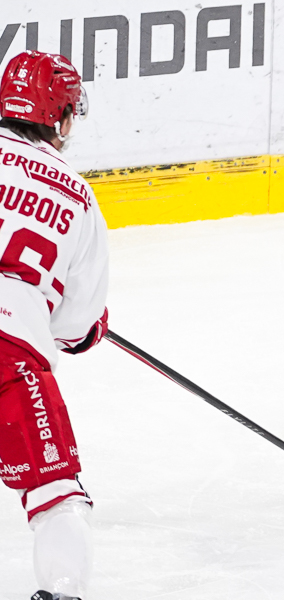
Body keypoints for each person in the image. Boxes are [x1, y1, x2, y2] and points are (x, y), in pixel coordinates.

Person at [0, 51, 109, 600]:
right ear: (61, 117)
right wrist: (87, 331)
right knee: (55, 493)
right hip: (9, 348)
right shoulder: (76, 194)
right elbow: (76, 322)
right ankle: (63, 592)